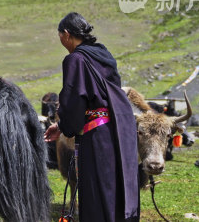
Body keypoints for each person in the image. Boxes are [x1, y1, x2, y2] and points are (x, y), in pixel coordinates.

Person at [44, 12, 140, 222]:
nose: (60, 40)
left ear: (67, 35)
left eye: (60, 36)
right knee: (116, 185)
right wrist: (61, 126)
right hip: (119, 130)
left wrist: (65, 126)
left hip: (96, 136)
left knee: (98, 190)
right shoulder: (104, 55)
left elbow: (75, 100)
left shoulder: (75, 59)